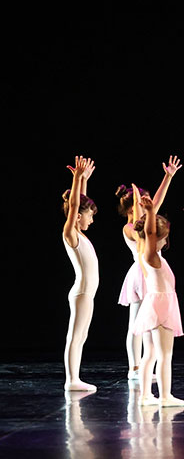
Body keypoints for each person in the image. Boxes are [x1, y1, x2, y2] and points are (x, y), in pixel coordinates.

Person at [115, 156, 181, 380]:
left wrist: (168, 176)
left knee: (147, 321)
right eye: (143, 201)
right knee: (137, 322)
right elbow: (140, 232)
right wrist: (137, 203)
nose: (149, 203)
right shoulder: (131, 227)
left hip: (151, 272)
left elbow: (158, 200)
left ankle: (144, 365)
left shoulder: (146, 221)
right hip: (142, 274)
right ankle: (135, 367)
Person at [132, 190, 184, 407]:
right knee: (165, 354)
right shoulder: (151, 255)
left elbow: (146, 230)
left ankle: (146, 395)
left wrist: (148, 211)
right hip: (161, 306)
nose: (165, 241)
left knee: (150, 353)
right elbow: (149, 232)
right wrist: (151, 212)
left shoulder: (145, 252)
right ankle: (165, 396)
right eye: (163, 237)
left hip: (153, 304)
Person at [62, 156, 98, 391]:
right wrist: (76, 179)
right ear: (76, 217)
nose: (92, 220)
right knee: (75, 336)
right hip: (82, 292)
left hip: (87, 293)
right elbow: (75, 206)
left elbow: (79, 204)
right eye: (90, 215)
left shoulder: (79, 233)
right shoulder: (70, 233)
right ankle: (71, 380)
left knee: (81, 336)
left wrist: (83, 181)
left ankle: (75, 377)